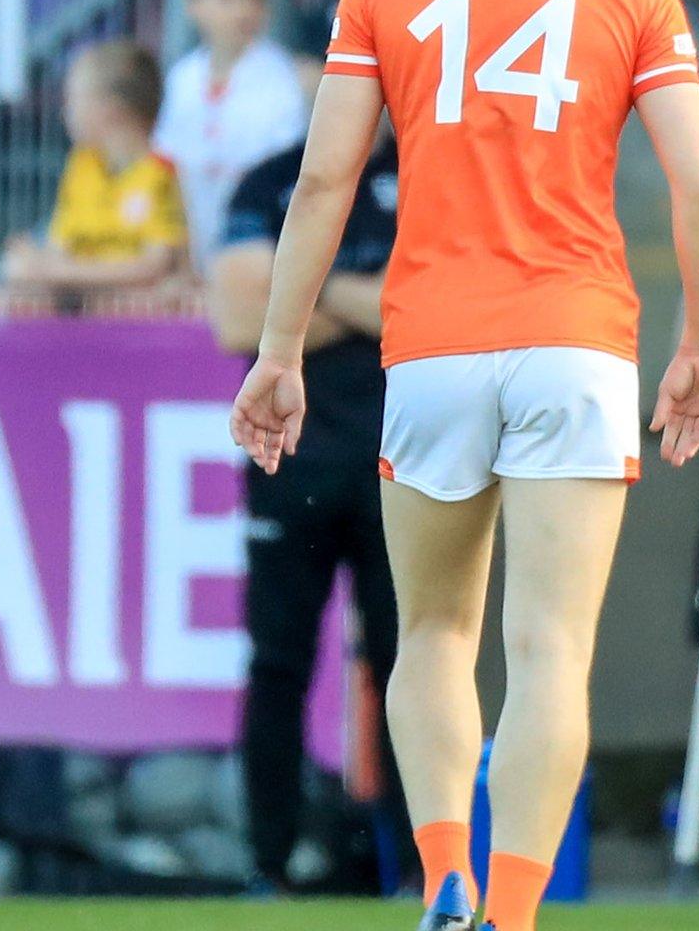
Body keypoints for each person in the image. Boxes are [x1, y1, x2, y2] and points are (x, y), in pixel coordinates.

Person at [228, 0, 699, 931]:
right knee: (548, 647)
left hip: (433, 345)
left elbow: (321, 181)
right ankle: (512, 916)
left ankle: (444, 883)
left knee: (431, 634)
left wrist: (278, 350)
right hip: (575, 340)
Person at [210, 129, 408, 894]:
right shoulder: (268, 180)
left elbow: (422, 311)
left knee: (411, 664)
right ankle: (269, 865)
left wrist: (299, 290)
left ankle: (423, 871)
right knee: (277, 664)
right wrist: (366, 297)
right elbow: (238, 323)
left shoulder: (430, 172)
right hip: (288, 461)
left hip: (403, 463)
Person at [156, 0, 310, 275]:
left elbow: (282, 171)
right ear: (194, 3)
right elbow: (167, 166)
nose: (243, 11)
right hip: (192, 240)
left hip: (256, 241)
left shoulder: (281, 79)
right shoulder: (182, 77)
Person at [3, 40, 188, 294]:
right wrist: (36, 261)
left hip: (140, 324)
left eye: (73, 98)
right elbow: (61, 248)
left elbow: (154, 268)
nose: (65, 111)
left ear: (110, 108)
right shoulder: (82, 166)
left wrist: (54, 271)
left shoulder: (160, 172)